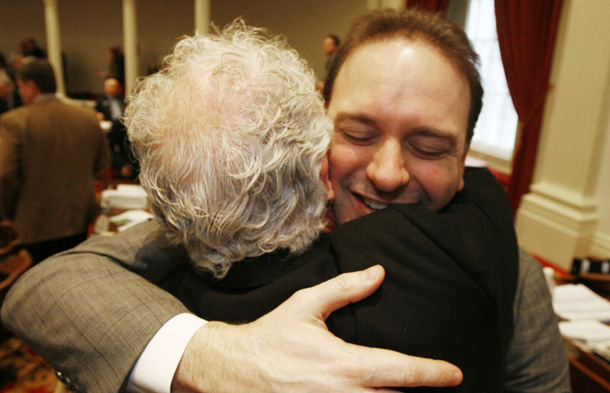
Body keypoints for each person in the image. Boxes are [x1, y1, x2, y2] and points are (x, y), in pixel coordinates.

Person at [2, 9, 569, 393]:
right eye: (359, 133)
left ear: (466, 160)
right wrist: (212, 355)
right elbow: (50, 285)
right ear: (317, 127)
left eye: (428, 145)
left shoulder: (510, 274)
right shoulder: (243, 213)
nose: (388, 173)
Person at [0, 59, 110, 263]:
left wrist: (7, 215)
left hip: (35, 225)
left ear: (30, 86)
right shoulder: (86, 117)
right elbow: (101, 163)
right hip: (80, 219)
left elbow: (5, 176)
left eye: (21, 87)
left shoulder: (14, 122)